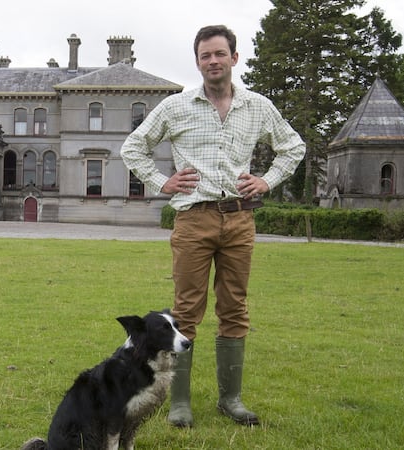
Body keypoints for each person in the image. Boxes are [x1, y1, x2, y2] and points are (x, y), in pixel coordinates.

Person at [120, 25, 305, 427]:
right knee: (186, 312)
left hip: (240, 219)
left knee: (235, 307)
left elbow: (293, 147)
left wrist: (266, 180)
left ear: (234, 58)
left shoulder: (257, 106)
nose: (213, 61)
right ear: (198, 62)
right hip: (193, 219)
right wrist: (161, 182)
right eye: (206, 56)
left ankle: (231, 399)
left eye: (220, 54)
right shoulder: (175, 107)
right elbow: (133, 146)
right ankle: (179, 402)